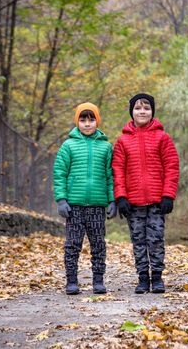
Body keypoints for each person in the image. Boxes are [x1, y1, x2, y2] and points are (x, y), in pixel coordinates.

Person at [112, 93, 179, 294]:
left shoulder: (162, 137)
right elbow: (117, 170)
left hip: (157, 202)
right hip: (133, 203)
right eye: (138, 108)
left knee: (156, 239)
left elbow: (172, 167)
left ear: (152, 112)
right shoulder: (123, 141)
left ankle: (157, 277)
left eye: (146, 108)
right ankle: (142, 278)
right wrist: (121, 197)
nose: (142, 111)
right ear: (131, 112)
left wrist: (168, 195)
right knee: (138, 241)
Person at [53, 102, 117, 295]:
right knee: (72, 244)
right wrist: (61, 199)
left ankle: (98, 280)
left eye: (91, 119)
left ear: (97, 121)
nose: (87, 124)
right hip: (74, 205)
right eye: (83, 119)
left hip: (97, 205)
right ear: (77, 121)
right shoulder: (68, 145)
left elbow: (110, 175)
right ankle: (71, 281)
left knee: (98, 244)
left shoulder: (106, 147)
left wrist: (112, 200)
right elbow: (59, 173)